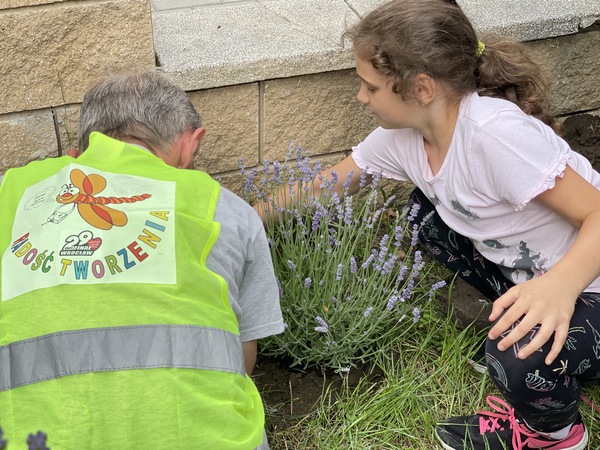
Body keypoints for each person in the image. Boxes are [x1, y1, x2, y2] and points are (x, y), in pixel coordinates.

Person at [255, 0, 600, 448]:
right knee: (426, 218)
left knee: (515, 353)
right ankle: (531, 325)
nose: (361, 98)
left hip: (587, 280)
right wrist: (244, 221)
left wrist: (558, 289)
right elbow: (327, 186)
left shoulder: (495, 136)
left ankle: (554, 435)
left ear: (421, 89)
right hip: (544, 274)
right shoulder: (404, 138)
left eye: (371, 87)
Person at [0, 69, 284, 449]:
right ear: (189, 144)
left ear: (76, 154)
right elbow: (242, 356)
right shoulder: (226, 209)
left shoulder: (12, 192)